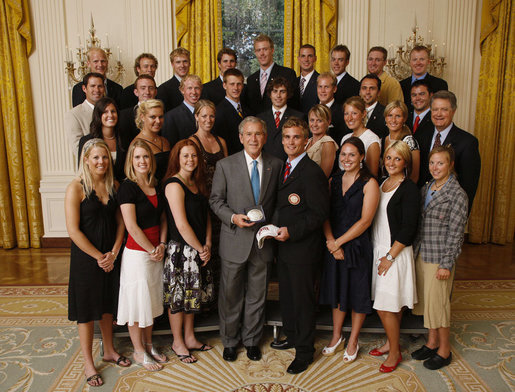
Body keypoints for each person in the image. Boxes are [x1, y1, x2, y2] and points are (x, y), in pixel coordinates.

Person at [210, 116, 283, 362]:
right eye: (248, 134)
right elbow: (215, 201)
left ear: (264, 137)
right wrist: (233, 218)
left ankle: (252, 340)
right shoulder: (225, 165)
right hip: (234, 240)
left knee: (257, 294)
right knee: (230, 295)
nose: (254, 139)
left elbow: (277, 203)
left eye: (258, 134)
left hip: (263, 243)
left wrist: (272, 227)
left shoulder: (276, 164)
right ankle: (230, 341)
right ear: (240, 137)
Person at [65, 139, 129, 387]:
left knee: (106, 304)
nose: (101, 162)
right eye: (96, 158)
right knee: (86, 311)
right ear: (86, 160)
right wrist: (98, 257)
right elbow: (73, 230)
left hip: (109, 256)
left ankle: (110, 351)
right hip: (86, 257)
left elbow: (121, 222)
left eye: (104, 157)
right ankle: (88, 363)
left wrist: (113, 252)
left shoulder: (114, 185)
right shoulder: (76, 188)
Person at [271, 117, 329, 374]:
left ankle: (305, 351)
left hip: (302, 248)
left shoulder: (311, 172)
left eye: (296, 137)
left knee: (304, 300)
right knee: (288, 296)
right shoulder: (284, 167)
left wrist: (291, 232)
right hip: (284, 248)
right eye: (287, 137)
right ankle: (293, 336)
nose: (291, 142)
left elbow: (319, 214)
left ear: (306, 141)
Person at [319, 137, 379, 363]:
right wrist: (330, 242)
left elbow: (365, 221)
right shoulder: (332, 180)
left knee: (356, 293)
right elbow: (324, 213)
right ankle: (337, 336)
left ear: (362, 157)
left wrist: (339, 242)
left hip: (356, 246)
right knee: (337, 293)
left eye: (352, 154)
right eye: (343, 154)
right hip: (333, 244)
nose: (346, 159)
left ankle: (353, 339)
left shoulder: (369, 182)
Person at [411, 145, 468, 370]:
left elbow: (456, 234)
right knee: (427, 303)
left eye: (440, 163)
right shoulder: (427, 188)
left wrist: (447, 263)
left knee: (439, 305)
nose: (435, 167)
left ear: (450, 165)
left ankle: (444, 350)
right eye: (432, 163)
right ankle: (431, 342)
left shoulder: (457, 194)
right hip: (422, 252)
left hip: (439, 258)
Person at [117, 139, 168, 371]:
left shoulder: (156, 184)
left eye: (146, 157)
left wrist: (163, 245)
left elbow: (163, 218)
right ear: (131, 161)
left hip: (157, 251)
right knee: (138, 305)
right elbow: (131, 226)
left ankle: (148, 344)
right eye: (137, 157)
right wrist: (151, 249)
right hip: (138, 254)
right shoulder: (127, 187)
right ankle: (139, 351)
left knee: (151, 301)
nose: (142, 161)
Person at [369, 140, 420, 373]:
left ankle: (395, 353)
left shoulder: (409, 189)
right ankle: (391, 341)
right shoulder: (382, 183)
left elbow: (409, 228)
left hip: (395, 252)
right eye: (388, 158)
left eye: (397, 159)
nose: (391, 163)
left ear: (405, 162)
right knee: (392, 304)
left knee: (385, 307)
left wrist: (389, 256)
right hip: (379, 249)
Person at [162, 139, 215, 363]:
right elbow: (181, 225)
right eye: (185, 156)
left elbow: (207, 217)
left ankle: (190, 337)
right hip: (181, 252)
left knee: (192, 295)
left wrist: (208, 244)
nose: (190, 160)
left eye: (194, 155)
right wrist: (200, 248)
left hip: (199, 249)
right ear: (177, 158)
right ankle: (178, 341)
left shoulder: (197, 183)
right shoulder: (174, 185)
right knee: (178, 298)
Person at [414, 90, 480, 211]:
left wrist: (461, 215)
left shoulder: (468, 142)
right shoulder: (421, 135)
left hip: (447, 212)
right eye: (435, 109)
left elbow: (468, 186)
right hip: (420, 206)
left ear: (453, 111)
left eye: (444, 109)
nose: (438, 114)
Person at [244, 34, 298, 114]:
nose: (262, 53)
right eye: (258, 50)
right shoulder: (251, 79)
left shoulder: (287, 74)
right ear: (255, 53)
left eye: (265, 49)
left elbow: (294, 104)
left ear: (272, 50)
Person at [78, 97, 126, 182]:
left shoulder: (125, 139)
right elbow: (82, 171)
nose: (110, 115)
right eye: (105, 112)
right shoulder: (86, 141)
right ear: (98, 115)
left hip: (120, 189)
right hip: (96, 188)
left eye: (113, 111)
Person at [258, 77, 304, 161]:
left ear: (288, 94)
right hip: (266, 165)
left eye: (282, 91)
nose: (278, 95)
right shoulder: (260, 118)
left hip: (289, 165)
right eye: (275, 91)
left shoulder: (299, 117)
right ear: (270, 94)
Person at [340, 96, 381, 178]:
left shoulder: (372, 139)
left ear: (363, 114)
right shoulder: (345, 138)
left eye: (354, 113)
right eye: (346, 114)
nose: (349, 118)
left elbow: (372, 175)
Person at [65, 72, 105, 155]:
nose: (97, 90)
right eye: (92, 86)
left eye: (100, 86)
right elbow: (78, 149)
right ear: (84, 88)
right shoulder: (74, 114)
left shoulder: (109, 111)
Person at [132, 99, 170, 183]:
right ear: (142, 117)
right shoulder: (137, 144)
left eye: (160, 117)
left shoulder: (164, 141)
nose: (158, 121)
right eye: (153, 117)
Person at [382, 100, 420, 183]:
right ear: (385, 118)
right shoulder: (384, 140)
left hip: (403, 190)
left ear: (404, 119)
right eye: (390, 115)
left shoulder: (409, 142)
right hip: (386, 186)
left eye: (398, 116)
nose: (393, 120)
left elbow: (414, 176)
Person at [400, 45, 448, 110]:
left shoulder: (440, 84)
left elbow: (442, 111)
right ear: (410, 63)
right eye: (415, 59)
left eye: (422, 59)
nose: (418, 63)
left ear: (428, 62)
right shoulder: (401, 85)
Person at [214, 68, 249, 155]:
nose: (236, 88)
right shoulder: (218, 112)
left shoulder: (248, 110)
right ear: (224, 85)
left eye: (239, 84)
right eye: (232, 84)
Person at [118, 74, 158, 150]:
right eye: (143, 88)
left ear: (156, 92)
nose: (147, 92)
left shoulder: (163, 114)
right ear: (136, 92)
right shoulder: (124, 116)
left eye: (151, 88)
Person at [162, 75, 202, 148]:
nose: (194, 92)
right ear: (182, 90)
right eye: (189, 88)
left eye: (197, 88)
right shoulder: (171, 117)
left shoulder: (206, 113)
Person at [305, 104, 338, 177]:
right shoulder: (308, 141)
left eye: (319, 120)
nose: (314, 124)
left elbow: (323, 177)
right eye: (312, 120)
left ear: (328, 122)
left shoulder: (327, 143)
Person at [317, 72, 348, 145]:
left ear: (334, 89)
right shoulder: (312, 110)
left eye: (326, 87)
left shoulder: (342, 112)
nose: (322, 91)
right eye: (320, 87)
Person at [157, 47, 191, 112]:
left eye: (185, 61)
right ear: (172, 64)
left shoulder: (198, 86)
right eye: (178, 62)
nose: (182, 65)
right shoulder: (163, 89)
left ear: (190, 63)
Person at [360, 74, 389, 139]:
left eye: (372, 88)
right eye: (364, 88)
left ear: (378, 92)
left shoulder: (386, 113)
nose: (367, 92)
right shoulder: (354, 111)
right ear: (360, 91)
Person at [296, 44, 319, 114]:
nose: (306, 60)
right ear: (298, 59)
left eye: (310, 56)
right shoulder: (294, 81)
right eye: (303, 56)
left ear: (315, 58)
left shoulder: (320, 81)